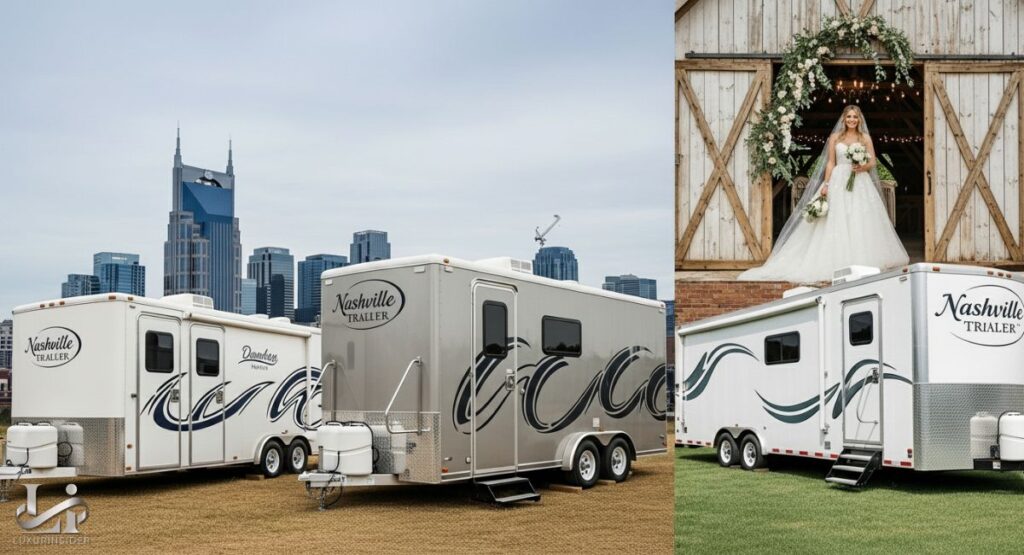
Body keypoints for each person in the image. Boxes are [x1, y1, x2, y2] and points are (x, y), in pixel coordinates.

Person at [738, 105, 909, 282]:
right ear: (843, 119)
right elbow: (830, 163)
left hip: (859, 180)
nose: (852, 120)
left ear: (859, 120)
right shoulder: (835, 137)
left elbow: (872, 161)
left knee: (860, 218)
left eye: (855, 117)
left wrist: (862, 167)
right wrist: (826, 185)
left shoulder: (864, 138)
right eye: (849, 117)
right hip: (838, 179)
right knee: (836, 217)